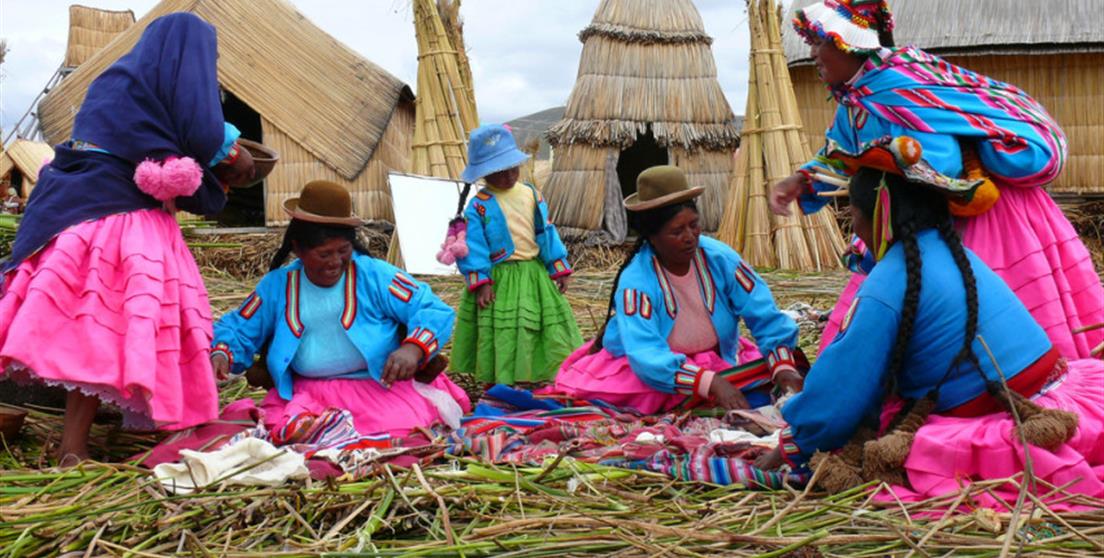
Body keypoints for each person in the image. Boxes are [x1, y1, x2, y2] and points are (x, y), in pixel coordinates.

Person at [769, 0, 1104, 358]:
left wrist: (880, 166)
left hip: (971, 217)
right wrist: (802, 180)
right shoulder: (855, 100)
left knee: (988, 316)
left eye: (818, 43)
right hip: (911, 221)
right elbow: (838, 155)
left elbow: (939, 163)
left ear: (846, 43)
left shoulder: (899, 85)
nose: (813, 53)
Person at [756, 166, 1104, 506]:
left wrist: (791, 443)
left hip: (1013, 428)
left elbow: (840, 393)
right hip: (1070, 400)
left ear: (879, 216)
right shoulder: (952, 250)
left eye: (855, 214)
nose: (856, 229)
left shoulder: (887, 284)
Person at [0, 14, 262, 464]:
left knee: (88, 329)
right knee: (122, 328)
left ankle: (74, 445)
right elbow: (202, 133)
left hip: (68, 210)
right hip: (120, 221)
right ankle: (85, 445)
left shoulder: (117, 82)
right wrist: (232, 167)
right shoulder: (173, 98)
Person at [211, 180, 471, 437]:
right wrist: (223, 354)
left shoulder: (374, 276)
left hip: (377, 390)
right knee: (284, 433)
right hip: (308, 396)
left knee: (393, 435)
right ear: (298, 249)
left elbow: (431, 308)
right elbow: (239, 327)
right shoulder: (278, 286)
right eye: (324, 255)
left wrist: (413, 348)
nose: (335, 262)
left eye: (343, 251)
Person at [553, 166, 804, 414]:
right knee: (647, 398)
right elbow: (645, 353)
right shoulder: (637, 282)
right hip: (650, 369)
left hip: (716, 358)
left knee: (781, 377)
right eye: (676, 231)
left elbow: (764, 314)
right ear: (652, 236)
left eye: (694, 225)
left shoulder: (720, 259)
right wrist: (711, 383)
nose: (690, 237)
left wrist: (783, 368)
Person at [451, 124, 583, 387]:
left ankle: (538, 378)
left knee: (538, 326)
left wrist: (559, 267)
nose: (508, 175)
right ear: (484, 172)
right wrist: (481, 282)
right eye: (499, 171)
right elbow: (474, 246)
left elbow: (545, 232)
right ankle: (502, 381)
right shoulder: (479, 205)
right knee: (506, 331)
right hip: (500, 279)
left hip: (534, 274)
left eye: (513, 167)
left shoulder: (531, 194)